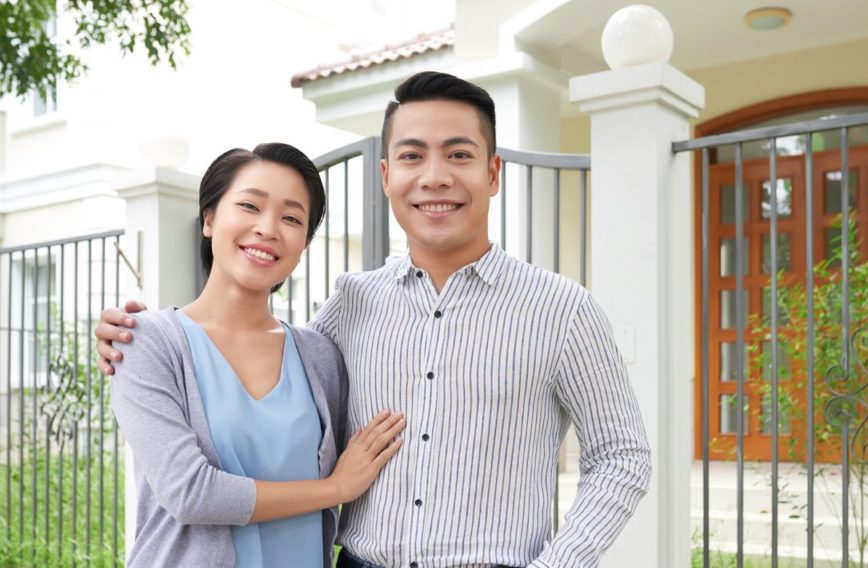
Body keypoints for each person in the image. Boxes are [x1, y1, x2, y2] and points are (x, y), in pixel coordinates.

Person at [97, 72, 651, 568]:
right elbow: (263, 387)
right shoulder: (351, 304)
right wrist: (133, 337)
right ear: (386, 175)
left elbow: (622, 456)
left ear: (493, 172)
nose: (434, 177)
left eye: (458, 155)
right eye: (412, 156)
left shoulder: (563, 309)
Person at [109, 143, 405, 568]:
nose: (268, 229)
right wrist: (335, 489)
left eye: (291, 218)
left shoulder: (320, 356)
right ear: (209, 219)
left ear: (303, 243)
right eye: (250, 206)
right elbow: (190, 493)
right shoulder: (146, 342)